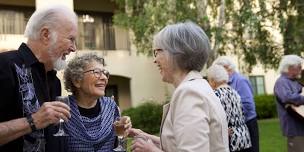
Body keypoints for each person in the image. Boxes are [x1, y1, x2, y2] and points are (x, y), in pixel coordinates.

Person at [129, 21, 229, 152]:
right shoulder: (199, 85)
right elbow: (182, 143)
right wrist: (147, 138)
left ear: (176, 53)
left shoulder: (189, 93)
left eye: (157, 52)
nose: (155, 59)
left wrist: (150, 150)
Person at [0, 5, 78, 151]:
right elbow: (38, 121)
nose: (74, 48)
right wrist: (33, 121)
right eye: (71, 39)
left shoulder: (54, 80)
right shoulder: (4, 65)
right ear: (46, 34)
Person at [63, 53, 131, 151]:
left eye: (105, 73)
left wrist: (123, 134)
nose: (104, 78)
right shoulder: (63, 110)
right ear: (77, 80)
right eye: (97, 72)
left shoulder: (111, 107)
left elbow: (120, 148)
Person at [213, 56, 259, 152]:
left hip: (247, 124)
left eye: (218, 70)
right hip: (236, 127)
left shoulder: (240, 81)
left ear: (227, 68)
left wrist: (234, 120)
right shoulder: (226, 82)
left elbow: (248, 105)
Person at [207, 64, 252, 152]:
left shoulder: (215, 95)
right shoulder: (235, 92)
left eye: (208, 80)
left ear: (213, 81)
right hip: (243, 137)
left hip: (230, 140)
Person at [274, 54, 304, 152]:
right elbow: (287, 98)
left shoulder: (295, 82)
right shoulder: (281, 82)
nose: (301, 69)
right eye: (299, 67)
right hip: (294, 127)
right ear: (290, 68)